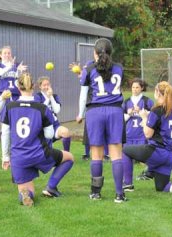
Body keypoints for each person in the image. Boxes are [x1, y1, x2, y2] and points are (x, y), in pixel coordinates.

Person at [0, 72, 74, 206]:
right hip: (39, 153)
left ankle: (25, 194)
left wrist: (5, 157)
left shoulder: (9, 107)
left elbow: (4, 133)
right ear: (33, 86)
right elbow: (49, 135)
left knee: (27, 190)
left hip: (18, 157)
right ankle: (51, 187)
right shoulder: (42, 108)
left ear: (18, 87)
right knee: (69, 157)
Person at [122, 81, 172, 198]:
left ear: (157, 93)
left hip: (156, 151)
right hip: (169, 155)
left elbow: (148, 134)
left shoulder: (157, 110)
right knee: (162, 187)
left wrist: (144, 118)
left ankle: (127, 184)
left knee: (125, 150)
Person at [76, 38, 126, 203]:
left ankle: (96, 193)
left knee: (96, 154)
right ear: (111, 52)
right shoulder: (119, 67)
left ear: (95, 52)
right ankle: (119, 194)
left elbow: (84, 95)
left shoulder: (89, 68)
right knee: (116, 154)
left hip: (95, 111)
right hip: (115, 111)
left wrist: (80, 113)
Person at [122, 78, 154, 191]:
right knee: (126, 158)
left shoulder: (146, 101)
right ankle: (127, 181)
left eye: (137, 87)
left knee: (144, 158)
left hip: (142, 135)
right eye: (133, 87)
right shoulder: (126, 102)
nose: (134, 89)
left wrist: (141, 112)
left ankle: (151, 172)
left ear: (142, 88)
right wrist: (129, 114)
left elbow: (153, 115)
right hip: (129, 134)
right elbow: (121, 119)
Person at [34, 76, 71, 152]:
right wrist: (47, 98)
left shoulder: (54, 96)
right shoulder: (37, 96)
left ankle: (67, 154)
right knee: (46, 151)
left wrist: (51, 97)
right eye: (44, 85)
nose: (47, 87)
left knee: (65, 132)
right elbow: (40, 110)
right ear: (40, 86)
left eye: (48, 84)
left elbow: (57, 110)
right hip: (43, 127)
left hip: (54, 124)